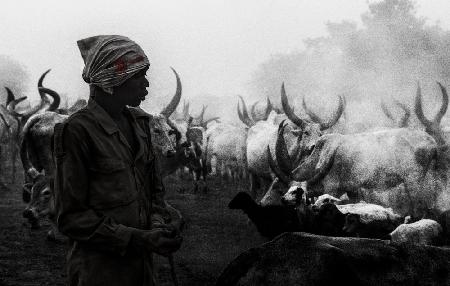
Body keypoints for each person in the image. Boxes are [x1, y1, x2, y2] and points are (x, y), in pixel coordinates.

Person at [53, 35, 182, 286]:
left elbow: (154, 195)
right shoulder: (76, 131)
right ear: (112, 79)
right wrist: (142, 239)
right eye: (138, 75)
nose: (146, 84)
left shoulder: (142, 125)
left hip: (143, 271)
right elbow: (71, 218)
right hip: (99, 273)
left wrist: (159, 226)